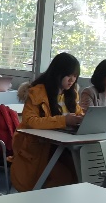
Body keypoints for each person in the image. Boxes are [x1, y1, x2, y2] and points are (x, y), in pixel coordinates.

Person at [11, 53, 84, 192]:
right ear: (58, 73)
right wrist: (64, 120)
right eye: (68, 76)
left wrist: (82, 119)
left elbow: (78, 114)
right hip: (38, 149)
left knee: (79, 172)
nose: (72, 80)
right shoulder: (37, 92)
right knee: (64, 176)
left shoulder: (71, 94)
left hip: (62, 148)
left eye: (75, 76)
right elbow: (30, 121)